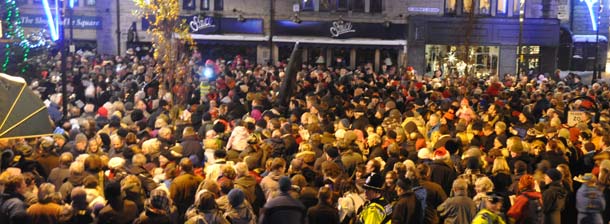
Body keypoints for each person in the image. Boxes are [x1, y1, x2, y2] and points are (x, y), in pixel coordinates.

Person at [170, 158, 203, 222]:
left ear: (180, 168)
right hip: (196, 213)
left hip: (181, 214)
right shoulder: (200, 179)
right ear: (192, 167)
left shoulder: (177, 181)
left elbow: (172, 199)